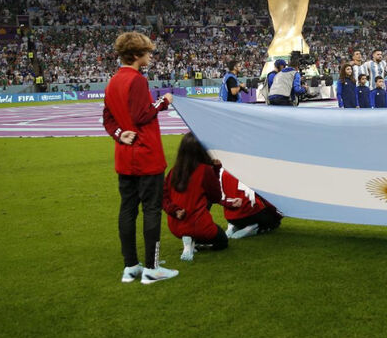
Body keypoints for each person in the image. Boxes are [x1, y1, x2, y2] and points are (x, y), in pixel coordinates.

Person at [103, 31, 178, 284]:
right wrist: (163, 102)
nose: (150, 56)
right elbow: (142, 115)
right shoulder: (137, 80)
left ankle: (131, 265)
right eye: (147, 53)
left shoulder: (113, 81)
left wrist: (118, 134)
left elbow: (107, 118)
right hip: (146, 155)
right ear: (136, 55)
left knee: (127, 210)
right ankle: (152, 268)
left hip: (125, 156)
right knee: (152, 210)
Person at [163, 133, 229, 261]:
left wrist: (175, 210)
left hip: (176, 225)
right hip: (199, 225)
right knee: (222, 242)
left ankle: (191, 240)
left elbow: (163, 197)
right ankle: (197, 242)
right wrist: (216, 170)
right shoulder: (205, 170)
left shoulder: (174, 171)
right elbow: (216, 196)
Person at [220, 168, 282, 239]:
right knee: (274, 221)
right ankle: (254, 227)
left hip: (230, 216)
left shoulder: (224, 171)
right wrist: (279, 213)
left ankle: (233, 225)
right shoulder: (251, 170)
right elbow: (265, 198)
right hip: (250, 215)